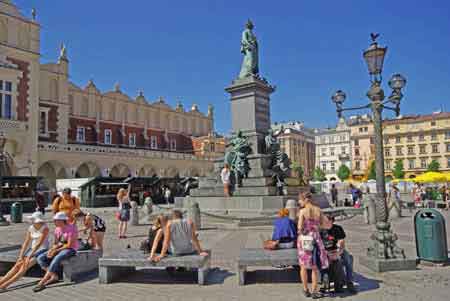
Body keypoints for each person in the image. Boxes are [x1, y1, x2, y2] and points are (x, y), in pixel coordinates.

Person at [0, 212, 49, 291]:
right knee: (17, 265)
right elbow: (26, 242)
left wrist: (29, 256)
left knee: (24, 267)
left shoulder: (45, 228)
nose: (33, 222)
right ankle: (1, 282)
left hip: (42, 249)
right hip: (32, 249)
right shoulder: (31, 228)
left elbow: (39, 244)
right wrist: (20, 256)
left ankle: (5, 285)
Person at [33, 212, 78, 292]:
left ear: (62, 220)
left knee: (57, 258)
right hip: (60, 248)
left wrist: (55, 251)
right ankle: (54, 276)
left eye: (56, 220)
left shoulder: (72, 228)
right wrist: (51, 250)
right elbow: (55, 243)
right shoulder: (57, 229)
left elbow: (69, 245)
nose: (54, 222)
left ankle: (42, 282)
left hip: (70, 249)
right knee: (40, 258)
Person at [297, 192, 329, 299]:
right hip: (316, 238)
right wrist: (316, 227)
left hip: (305, 238)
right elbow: (326, 224)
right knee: (315, 266)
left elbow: (300, 228)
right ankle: (314, 291)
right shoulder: (318, 210)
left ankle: (306, 290)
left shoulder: (302, 211)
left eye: (300, 200)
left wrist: (302, 230)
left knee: (303, 266)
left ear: (305, 200)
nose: (299, 202)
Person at [320, 214, 356, 294]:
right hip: (325, 251)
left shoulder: (338, 229)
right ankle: (326, 283)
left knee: (348, 259)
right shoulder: (320, 230)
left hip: (336, 250)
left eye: (326, 221)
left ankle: (349, 282)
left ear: (331, 221)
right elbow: (319, 245)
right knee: (330, 262)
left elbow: (341, 243)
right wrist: (326, 254)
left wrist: (338, 253)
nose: (323, 223)